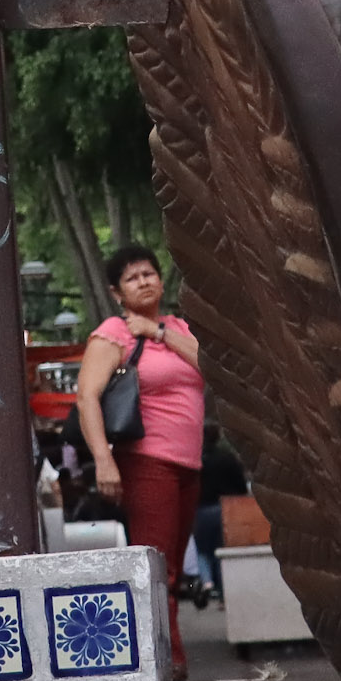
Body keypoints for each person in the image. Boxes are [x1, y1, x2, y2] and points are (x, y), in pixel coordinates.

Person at [74, 244, 206, 658]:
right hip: (147, 462)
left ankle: (169, 658)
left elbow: (211, 366)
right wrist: (103, 459)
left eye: (149, 274)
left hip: (189, 464)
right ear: (117, 293)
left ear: (162, 281)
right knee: (156, 570)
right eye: (132, 278)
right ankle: (170, 663)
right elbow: (86, 398)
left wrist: (159, 333)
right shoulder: (113, 333)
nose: (144, 282)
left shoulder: (180, 329)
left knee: (173, 570)